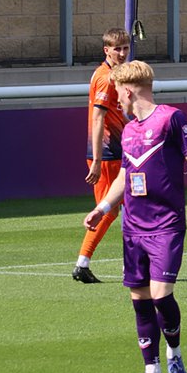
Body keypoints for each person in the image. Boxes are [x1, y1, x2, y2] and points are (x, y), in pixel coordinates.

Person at [82, 60, 187, 373]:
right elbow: (123, 176)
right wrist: (102, 208)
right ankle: (151, 370)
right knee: (139, 297)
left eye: (118, 90)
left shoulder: (172, 119)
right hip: (133, 226)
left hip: (166, 225)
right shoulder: (128, 130)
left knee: (161, 296)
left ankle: (174, 354)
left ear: (128, 90)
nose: (116, 98)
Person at [72, 27, 131, 284]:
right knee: (109, 210)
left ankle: (87, 264)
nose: (121, 53)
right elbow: (98, 118)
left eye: (125, 48)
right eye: (116, 48)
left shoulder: (115, 75)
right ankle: (84, 263)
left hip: (115, 151)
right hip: (107, 154)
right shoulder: (106, 77)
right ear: (106, 50)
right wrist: (96, 159)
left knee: (120, 209)